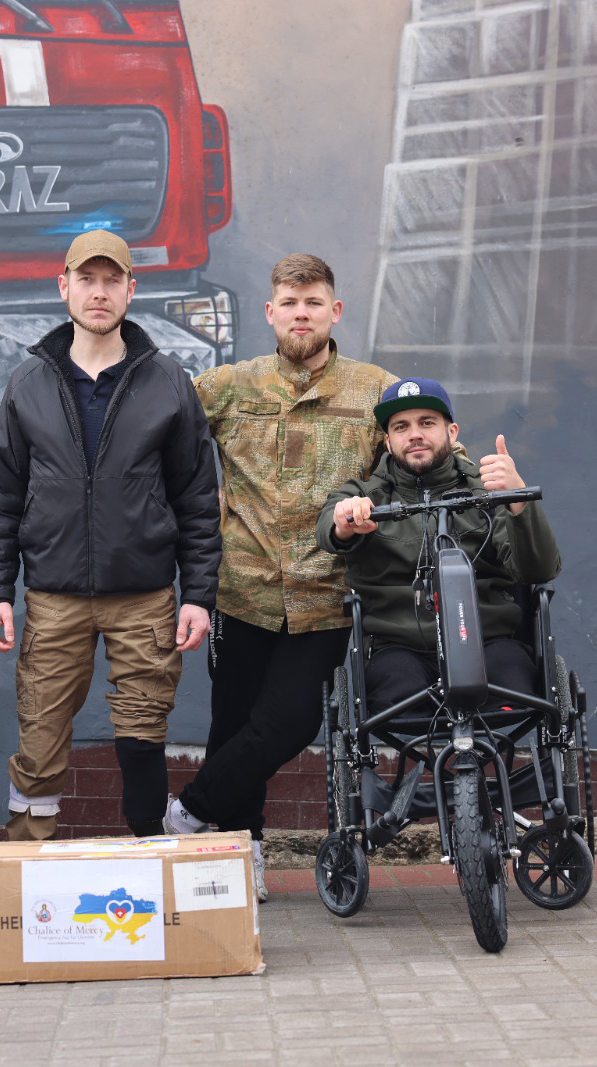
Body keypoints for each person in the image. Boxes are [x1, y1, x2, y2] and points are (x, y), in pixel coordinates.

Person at [160, 254, 398, 901]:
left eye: (313, 302)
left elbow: (424, 448)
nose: (301, 314)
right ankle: (244, 855)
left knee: (288, 722)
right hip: (242, 590)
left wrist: (487, 480)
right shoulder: (230, 386)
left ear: (334, 311)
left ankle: (187, 811)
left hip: (326, 595)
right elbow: (159, 430)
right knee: (233, 726)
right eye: (290, 303)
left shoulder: (374, 390)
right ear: (270, 313)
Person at [0, 229, 220, 841]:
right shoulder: (28, 381)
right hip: (54, 595)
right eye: (87, 279)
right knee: (40, 736)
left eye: (113, 280)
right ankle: (29, 861)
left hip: (144, 595)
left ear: (132, 290)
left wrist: (198, 595)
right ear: (64, 287)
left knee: (142, 731)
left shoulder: (167, 381)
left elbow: (196, 497)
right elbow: (1, 493)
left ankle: (149, 851)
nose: (99, 292)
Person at [315, 377, 561, 709]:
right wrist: (346, 522)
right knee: (398, 697)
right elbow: (329, 528)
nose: (414, 434)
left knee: (512, 686)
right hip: (398, 648)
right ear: (388, 442)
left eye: (427, 423)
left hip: (488, 642)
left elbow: (540, 569)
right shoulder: (365, 496)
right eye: (401, 427)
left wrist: (517, 498)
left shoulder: (489, 490)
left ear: (452, 432)